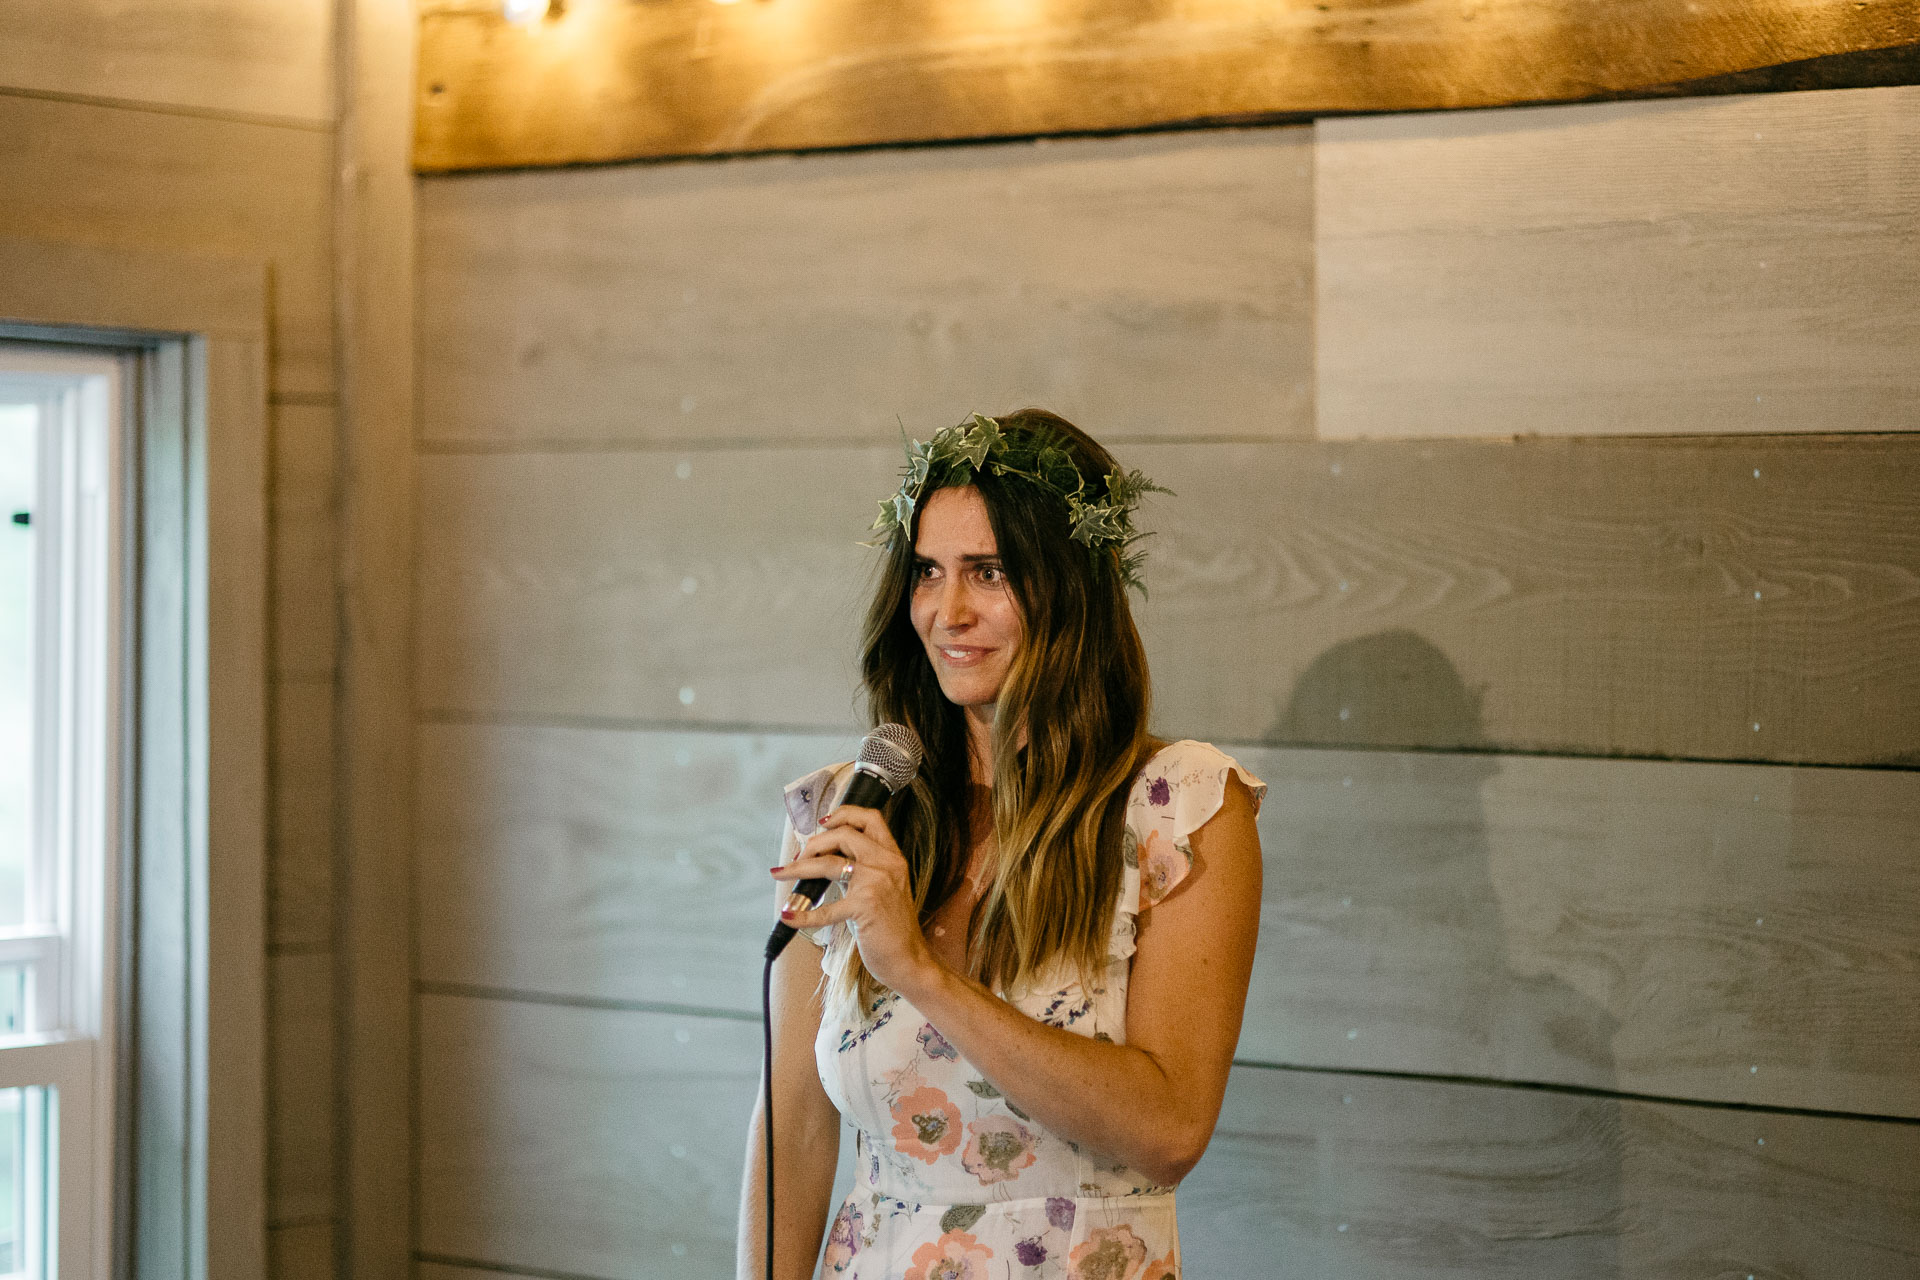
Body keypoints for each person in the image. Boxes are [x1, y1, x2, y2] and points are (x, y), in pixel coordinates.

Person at [737, 409, 1264, 1280]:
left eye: (989, 572)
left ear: (1073, 589)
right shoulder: (846, 812)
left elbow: (1169, 1130)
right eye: (928, 573)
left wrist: (919, 972)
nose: (948, 611)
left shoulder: (1179, 808)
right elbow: (793, 1126)